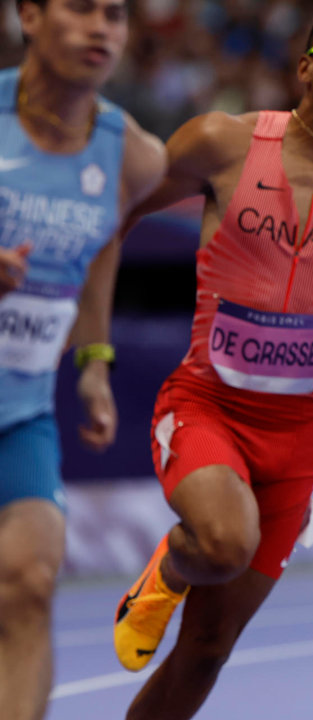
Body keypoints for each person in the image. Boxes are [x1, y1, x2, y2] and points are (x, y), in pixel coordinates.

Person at [109, 4, 313, 719]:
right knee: (224, 543)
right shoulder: (222, 142)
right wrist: (85, 330)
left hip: (294, 435)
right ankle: (166, 573)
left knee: (206, 652)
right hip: (205, 404)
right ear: (305, 66)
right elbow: (118, 210)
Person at [0, 2, 167, 719]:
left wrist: (93, 361)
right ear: (29, 15)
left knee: (32, 581)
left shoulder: (132, 154)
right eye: (80, 8)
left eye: (117, 14)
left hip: (22, 410)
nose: (102, 28)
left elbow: (105, 247)